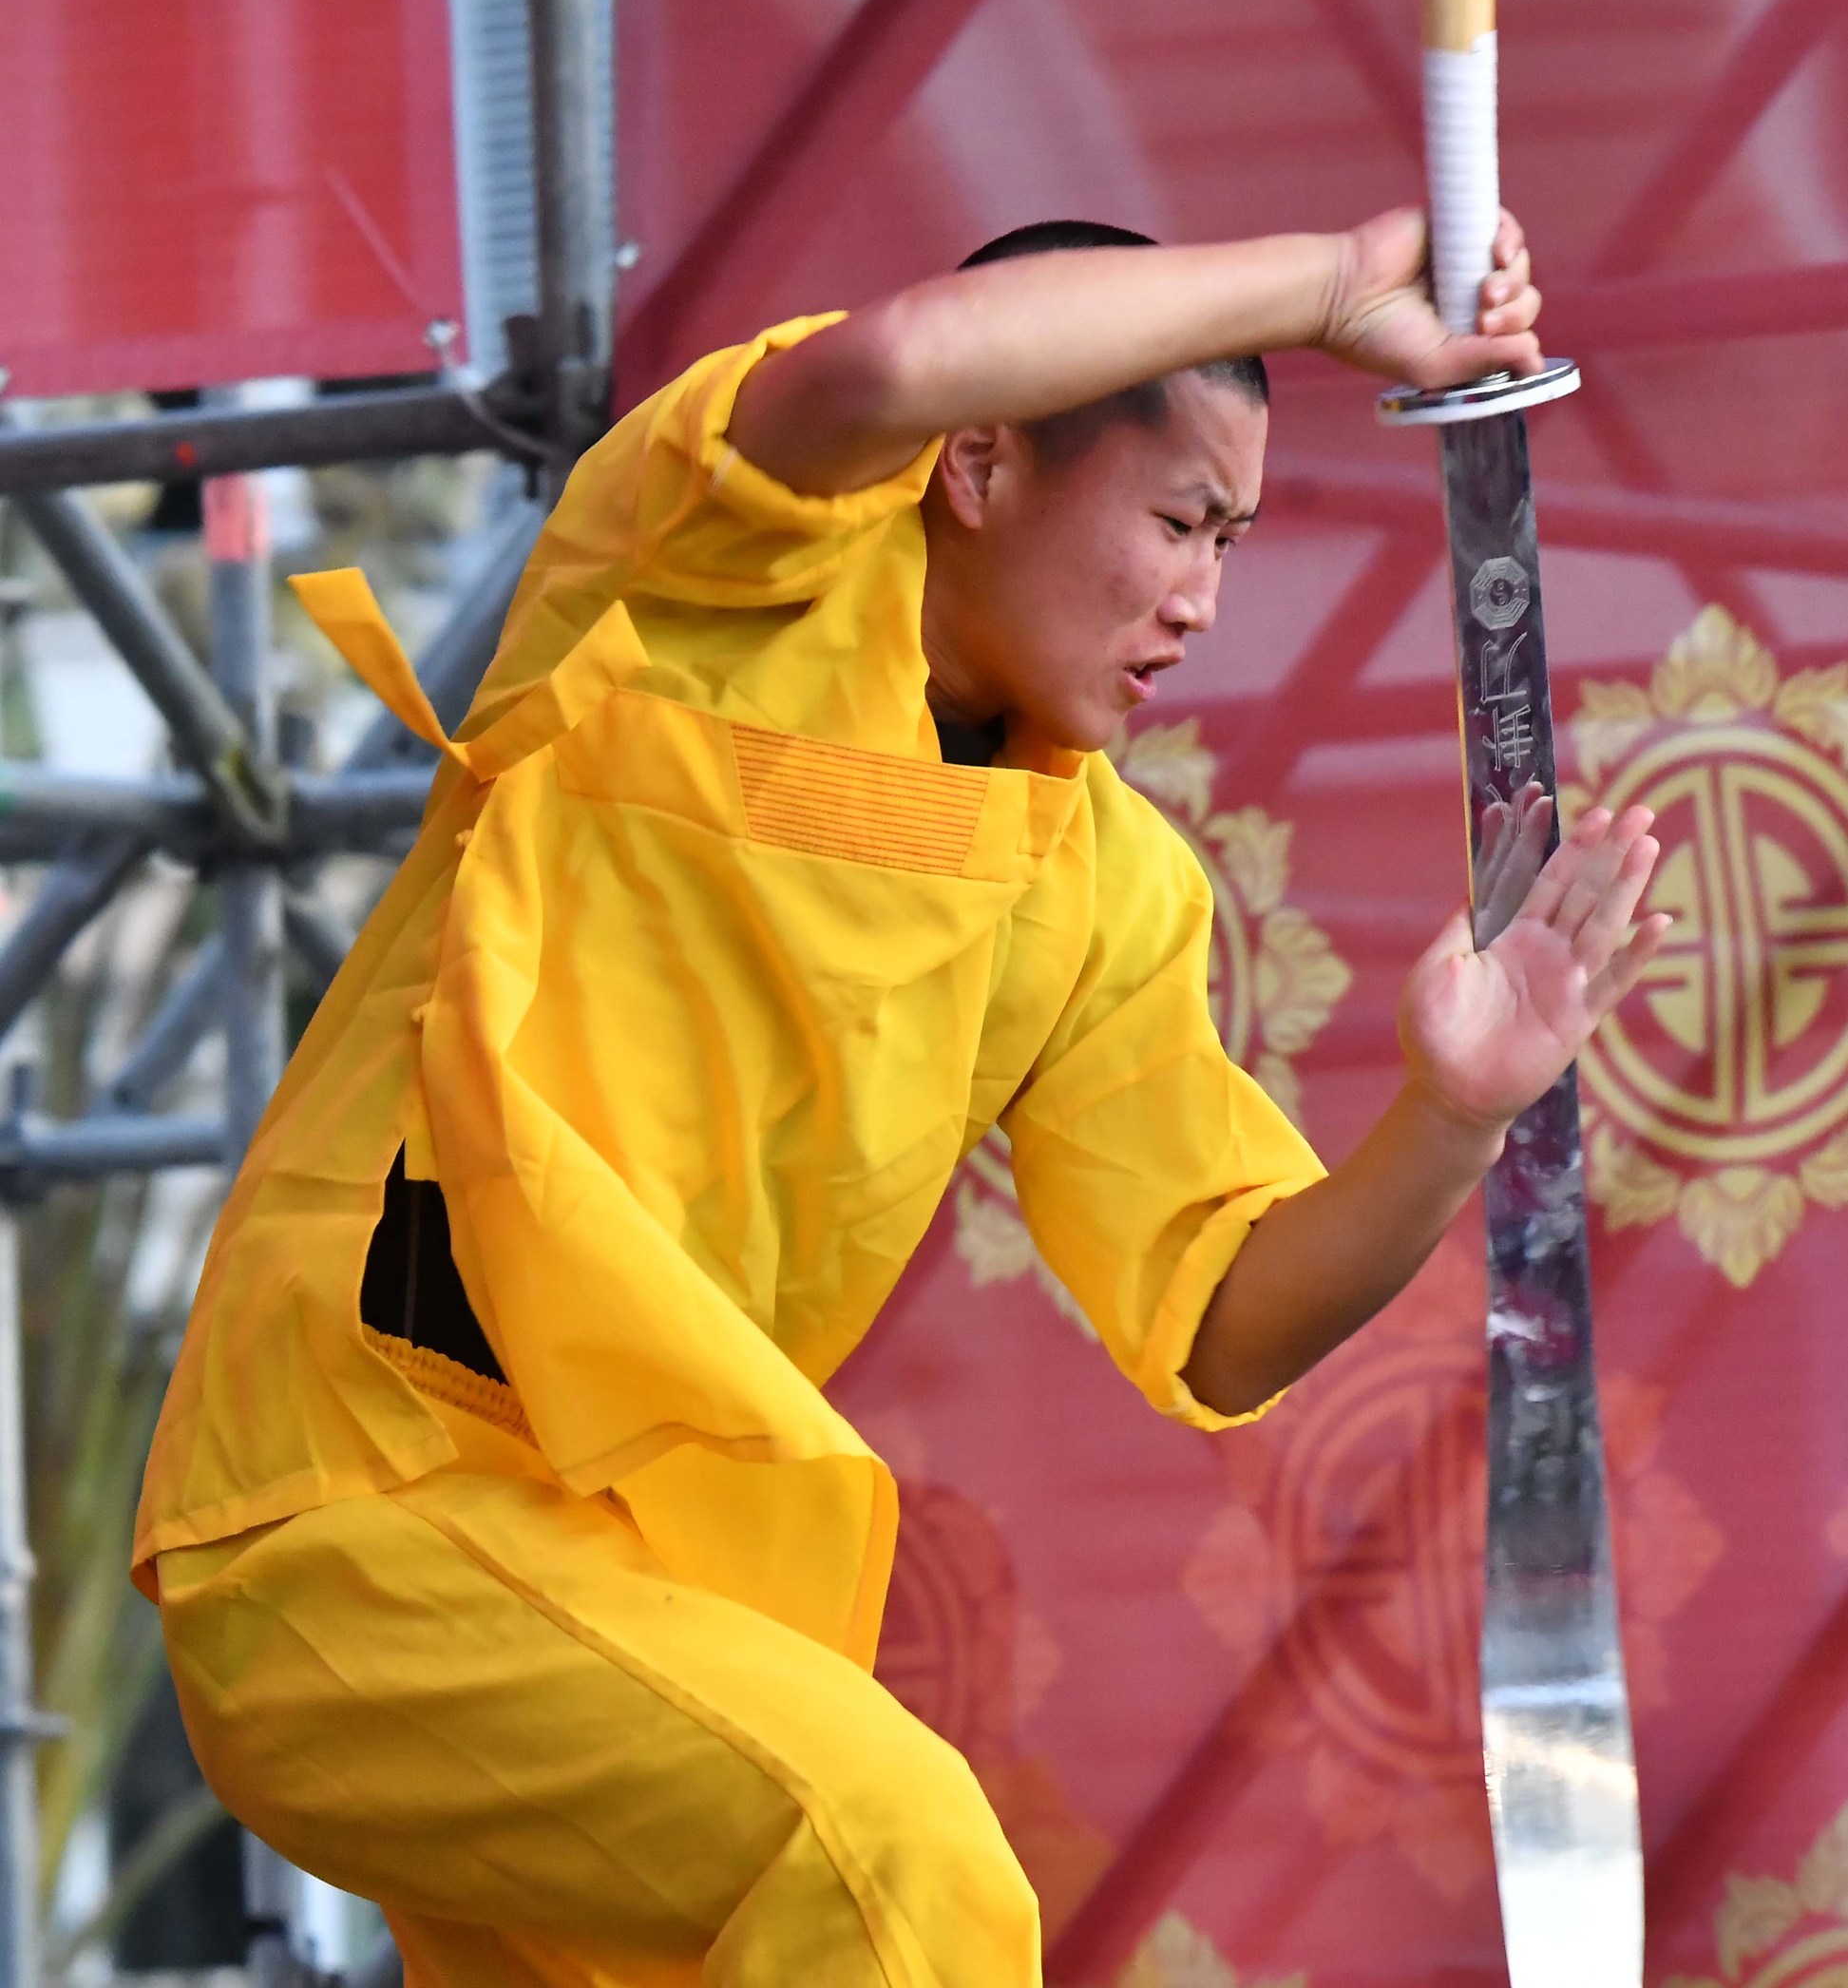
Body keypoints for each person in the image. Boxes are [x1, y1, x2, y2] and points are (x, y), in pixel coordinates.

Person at [138, 205, 1668, 1988]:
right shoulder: (712, 568)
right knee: (890, 1856)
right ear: (979, 466)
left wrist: (1451, 1116)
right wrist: (1329, 284)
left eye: (1232, 541)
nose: (1201, 600)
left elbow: (1227, 1317)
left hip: (625, 1598)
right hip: (348, 1508)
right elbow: (886, 362)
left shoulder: (1098, 886)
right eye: (1176, 520)